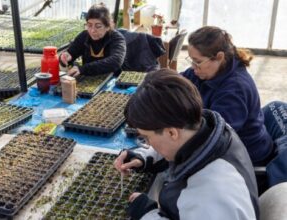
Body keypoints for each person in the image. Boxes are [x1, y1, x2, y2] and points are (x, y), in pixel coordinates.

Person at [114, 69, 259, 220]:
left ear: (171, 133)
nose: (148, 143)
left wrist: (147, 213)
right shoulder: (211, 131)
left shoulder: (210, 196)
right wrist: (144, 157)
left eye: (146, 137)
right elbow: (182, 146)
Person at [181, 26, 274, 166]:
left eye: (198, 61)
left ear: (219, 57)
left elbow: (214, 138)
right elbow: (176, 83)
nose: (193, 67)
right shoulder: (206, 70)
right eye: (192, 60)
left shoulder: (235, 90)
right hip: (221, 143)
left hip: (245, 158)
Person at [59, 3, 126, 77]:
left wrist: (83, 69)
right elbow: (71, 52)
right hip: (88, 80)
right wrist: (65, 57)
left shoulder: (117, 39)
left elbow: (115, 61)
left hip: (111, 80)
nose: (92, 30)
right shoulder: (84, 36)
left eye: (98, 26)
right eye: (89, 25)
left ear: (108, 27)